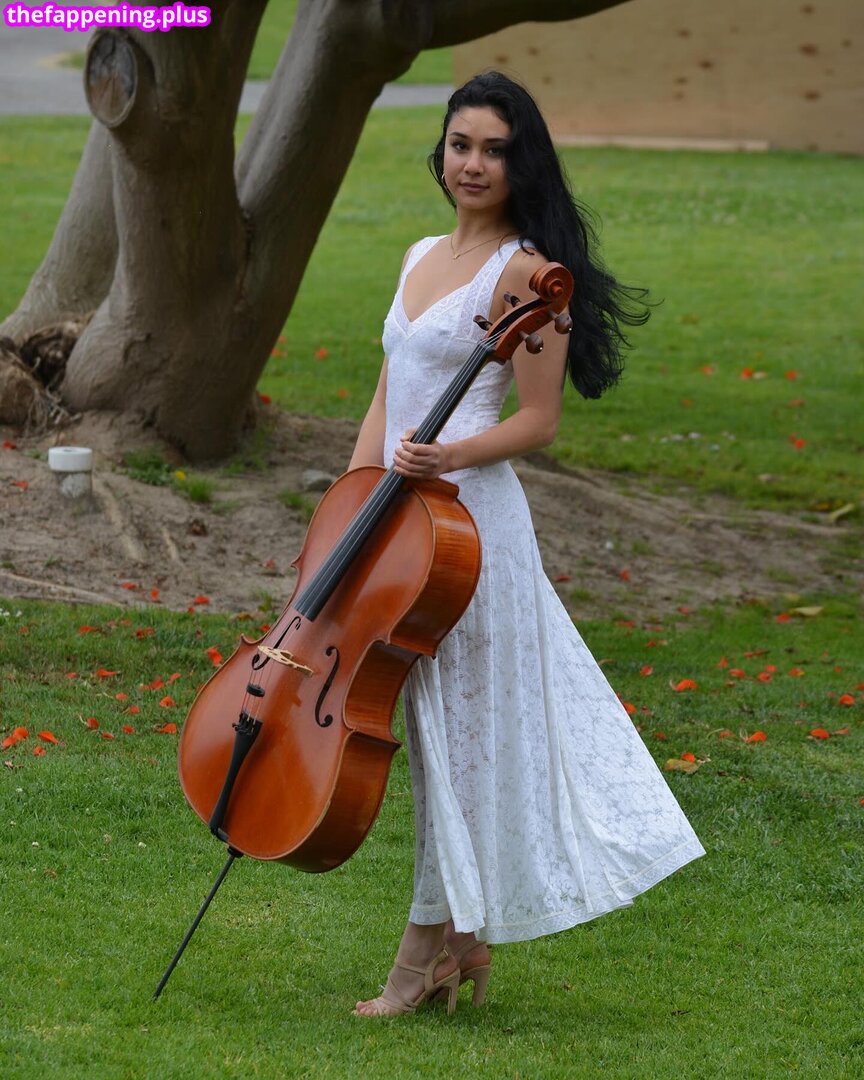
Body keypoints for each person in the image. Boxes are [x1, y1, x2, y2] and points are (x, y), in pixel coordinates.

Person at [349, 71, 705, 1018]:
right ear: (441, 151)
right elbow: (388, 392)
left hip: (468, 528)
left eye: (495, 150)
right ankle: (462, 943)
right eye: (461, 144)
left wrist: (448, 455)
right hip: (398, 518)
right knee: (434, 732)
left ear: (522, 163)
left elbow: (539, 422)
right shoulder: (420, 253)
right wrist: (353, 500)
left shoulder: (525, 272)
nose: (473, 164)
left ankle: (420, 958)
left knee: (458, 739)